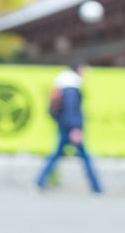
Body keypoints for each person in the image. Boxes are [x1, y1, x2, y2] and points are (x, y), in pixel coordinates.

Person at [35, 62, 102, 193]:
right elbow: (71, 110)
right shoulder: (72, 87)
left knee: (56, 154)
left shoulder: (63, 84)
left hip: (64, 125)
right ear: (78, 69)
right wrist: (76, 128)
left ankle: (39, 182)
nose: (86, 73)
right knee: (85, 157)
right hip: (72, 127)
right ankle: (97, 188)